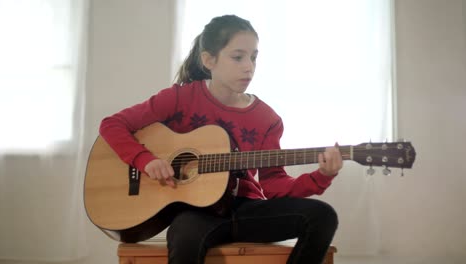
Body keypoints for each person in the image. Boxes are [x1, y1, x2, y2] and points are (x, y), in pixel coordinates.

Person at [99, 14, 342, 264]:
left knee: (323, 217)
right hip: (196, 214)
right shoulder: (181, 98)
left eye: (254, 57)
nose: (249, 66)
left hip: (247, 211)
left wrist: (320, 177)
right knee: (184, 236)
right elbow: (112, 125)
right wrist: (145, 160)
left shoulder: (267, 118)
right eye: (238, 57)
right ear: (208, 60)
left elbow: (273, 185)